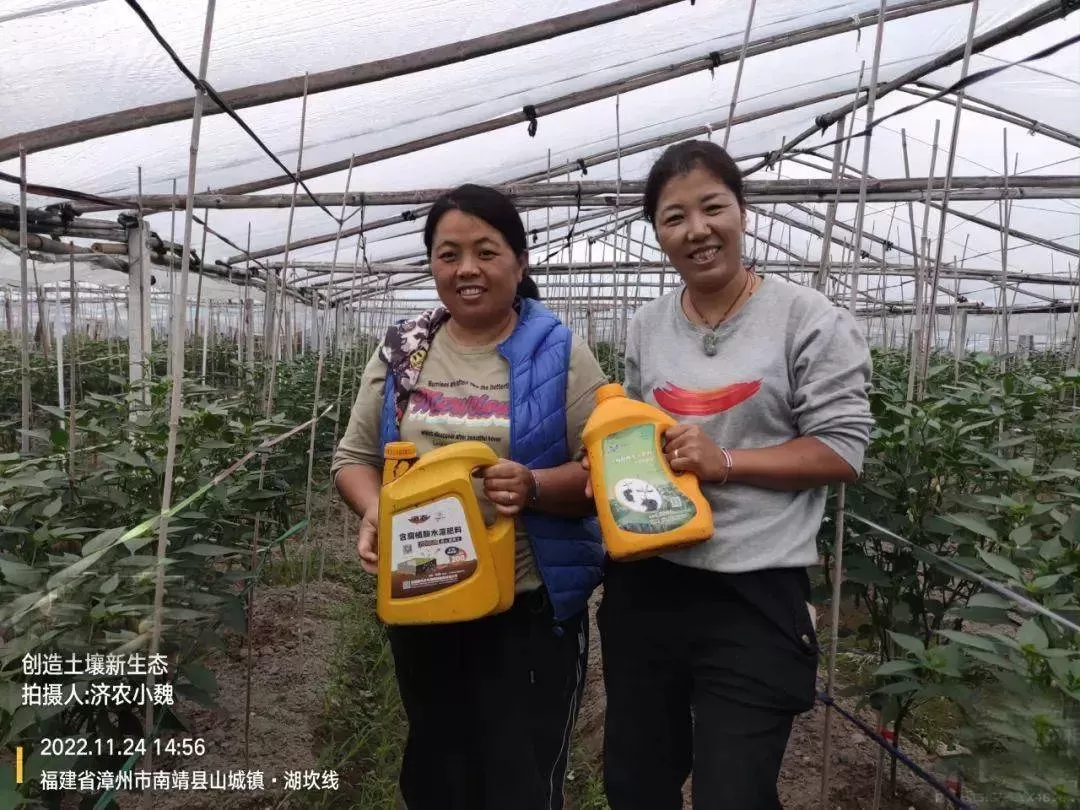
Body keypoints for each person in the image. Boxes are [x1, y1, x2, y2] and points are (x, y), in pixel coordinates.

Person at [591, 140, 874, 810]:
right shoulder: (648, 324)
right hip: (648, 579)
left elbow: (840, 451)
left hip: (752, 591)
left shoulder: (807, 319)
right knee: (636, 784)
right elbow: (637, 431)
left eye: (712, 207)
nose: (696, 230)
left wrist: (726, 462)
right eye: (673, 217)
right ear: (658, 232)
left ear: (742, 211)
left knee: (733, 793)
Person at [332, 183, 608, 810]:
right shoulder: (404, 351)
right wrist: (378, 508)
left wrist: (534, 485)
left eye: (486, 252)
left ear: (519, 259)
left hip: (527, 608)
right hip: (423, 593)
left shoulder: (560, 352)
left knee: (520, 776)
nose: (466, 270)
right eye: (448, 254)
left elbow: (605, 474)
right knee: (437, 768)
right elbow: (354, 461)